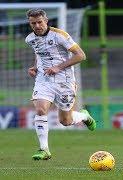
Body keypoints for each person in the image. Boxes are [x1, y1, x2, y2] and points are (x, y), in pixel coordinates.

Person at [25, 9, 96, 160]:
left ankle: (83, 116)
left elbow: (81, 55)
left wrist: (58, 67)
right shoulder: (30, 39)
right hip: (44, 80)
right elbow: (39, 53)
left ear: (46, 21)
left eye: (40, 22)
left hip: (65, 81)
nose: (37, 26)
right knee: (40, 109)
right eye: (33, 23)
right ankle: (44, 149)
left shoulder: (60, 35)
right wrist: (35, 67)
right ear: (29, 23)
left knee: (65, 121)